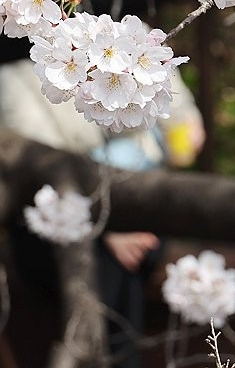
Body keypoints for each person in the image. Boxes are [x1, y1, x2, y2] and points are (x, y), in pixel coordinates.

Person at [0, 56, 204, 368]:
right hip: (51, 218)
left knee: (118, 263)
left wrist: (169, 136)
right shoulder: (14, 74)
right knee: (109, 265)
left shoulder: (133, 46)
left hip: (138, 215)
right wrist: (107, 229)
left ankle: (95, 354)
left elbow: (183, 127)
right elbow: (44, 167)